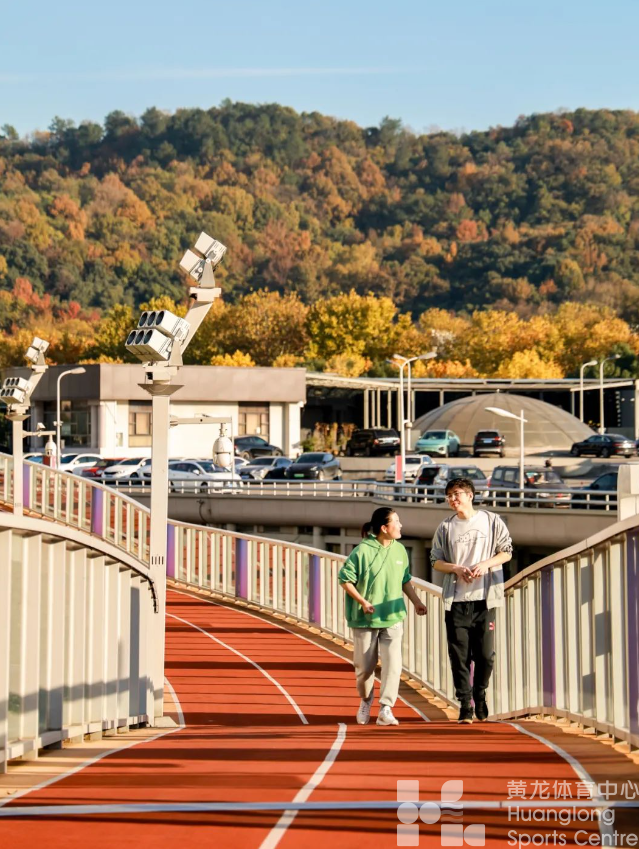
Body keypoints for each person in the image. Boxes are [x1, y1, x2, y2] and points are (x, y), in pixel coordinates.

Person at [430, 478, 512, 724]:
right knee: (459, 656)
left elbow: (506, 552)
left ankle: (480, 693)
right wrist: (455, 568)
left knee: (486, 655)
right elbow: (435, 560)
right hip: (456, 601)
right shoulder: (445, 527)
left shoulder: (491, 521)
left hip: (485, 601)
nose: (452, 500)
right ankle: (465, 703)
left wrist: (485, 565)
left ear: (470, 495)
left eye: (456, 494)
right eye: (448, 496)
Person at [339, 507, 427, 726]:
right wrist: (363, 602)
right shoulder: (362, 551)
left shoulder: (400, 550)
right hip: (365, 619)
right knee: (364, 669)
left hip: (394, 615)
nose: (401, 525)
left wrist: (416, 602)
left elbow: (405, 579)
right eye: (396, 521)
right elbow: (345, 579)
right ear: (384, 528)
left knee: (393, 664)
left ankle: (386, 708)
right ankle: (366, 699)